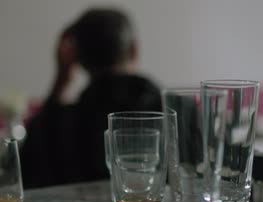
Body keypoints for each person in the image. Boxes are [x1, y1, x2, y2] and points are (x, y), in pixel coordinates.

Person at [21, 8, 161, 189]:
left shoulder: (58, 123)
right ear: (134, 49)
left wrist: (61, 80)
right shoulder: (176, 112)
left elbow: (27, 173)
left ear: (76, 59)